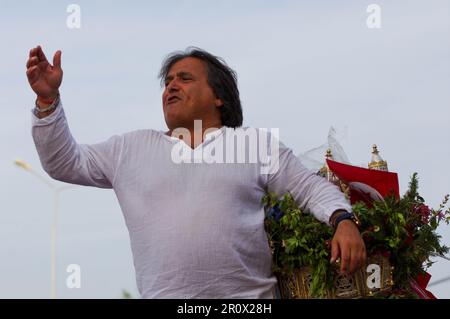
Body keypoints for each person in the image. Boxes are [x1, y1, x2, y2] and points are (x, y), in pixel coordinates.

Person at [26, 45, 366, 298]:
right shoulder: (128, 149)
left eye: (185, 79)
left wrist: (343, 220)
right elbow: (63, 162)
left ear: (218, 97)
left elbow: (309, 188)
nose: (171, 86)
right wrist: (48, 101)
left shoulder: (253, 144)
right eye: (168, 81)